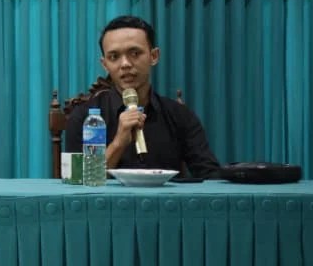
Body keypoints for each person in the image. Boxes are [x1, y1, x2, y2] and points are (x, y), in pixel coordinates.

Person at [63, 14, 219, 178]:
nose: (125, 64)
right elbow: (78, 181)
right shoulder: (85, 117)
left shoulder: (180, 116)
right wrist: (118, 143)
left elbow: (210, 176)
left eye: (135, 53)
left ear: (154, 56)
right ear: (105, 64)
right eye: (114, 57)